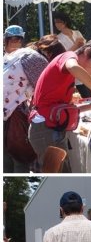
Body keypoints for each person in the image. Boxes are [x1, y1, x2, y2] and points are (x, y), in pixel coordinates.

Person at [28, 39, 91, 171]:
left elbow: (64, 110)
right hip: (45, 128)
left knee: (62, 171)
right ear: (88, 52)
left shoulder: (67, 74)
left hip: (49, 127)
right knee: (59, 173)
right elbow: (73, 66)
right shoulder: (68, 57)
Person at [4, 35, 66, 173]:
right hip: (10, 116)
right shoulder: (36, 60)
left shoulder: (22, 53)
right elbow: (46, 92)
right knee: (20, 159)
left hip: (7, 112)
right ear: (50, 54)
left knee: (7, 161)